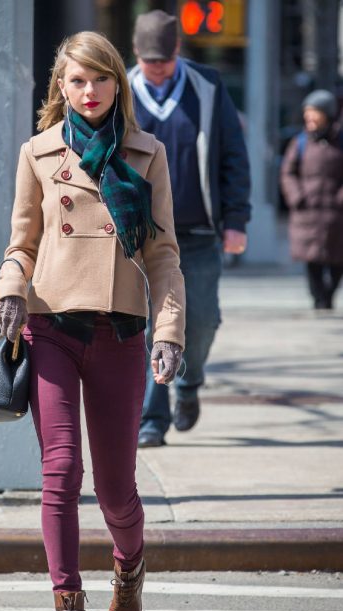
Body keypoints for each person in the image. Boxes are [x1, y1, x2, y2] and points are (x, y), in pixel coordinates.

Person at [0, 32, 185, 611]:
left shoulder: (147, 153)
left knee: (115, 490)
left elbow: (162, 255)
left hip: (120, 330)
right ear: (62, 87)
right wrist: (9, 291)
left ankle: (129, 570)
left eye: (100, 79)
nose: (89, 91)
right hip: (50, 324)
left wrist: (168, 331)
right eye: (77, 81)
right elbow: (21, 243)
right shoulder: (38, 153)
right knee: (60, 472)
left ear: (116, 84)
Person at [129, 10, 251, 448]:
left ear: (177, 50)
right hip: (140, 236)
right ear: (135, 52)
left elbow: (233, 155)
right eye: (148, 59)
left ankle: (190, 380)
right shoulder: (121, 90)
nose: (156, 67)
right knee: (149, 327)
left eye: (163, 58)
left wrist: (236, 219)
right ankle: (151, 419)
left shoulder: (206, 86)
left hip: (197, 234)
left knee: (200, 323)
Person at [280, 89, 343, 310]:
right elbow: (288, 172)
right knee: (311, 258)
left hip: (336, 212)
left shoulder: (340, 141)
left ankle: (329, 295)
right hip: (307, 211)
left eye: (315, 112)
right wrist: (297, 196)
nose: (310, 118)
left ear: (327, 114)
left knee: (337, 257)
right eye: (307, 113)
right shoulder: (300, 142)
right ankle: (318, 298)